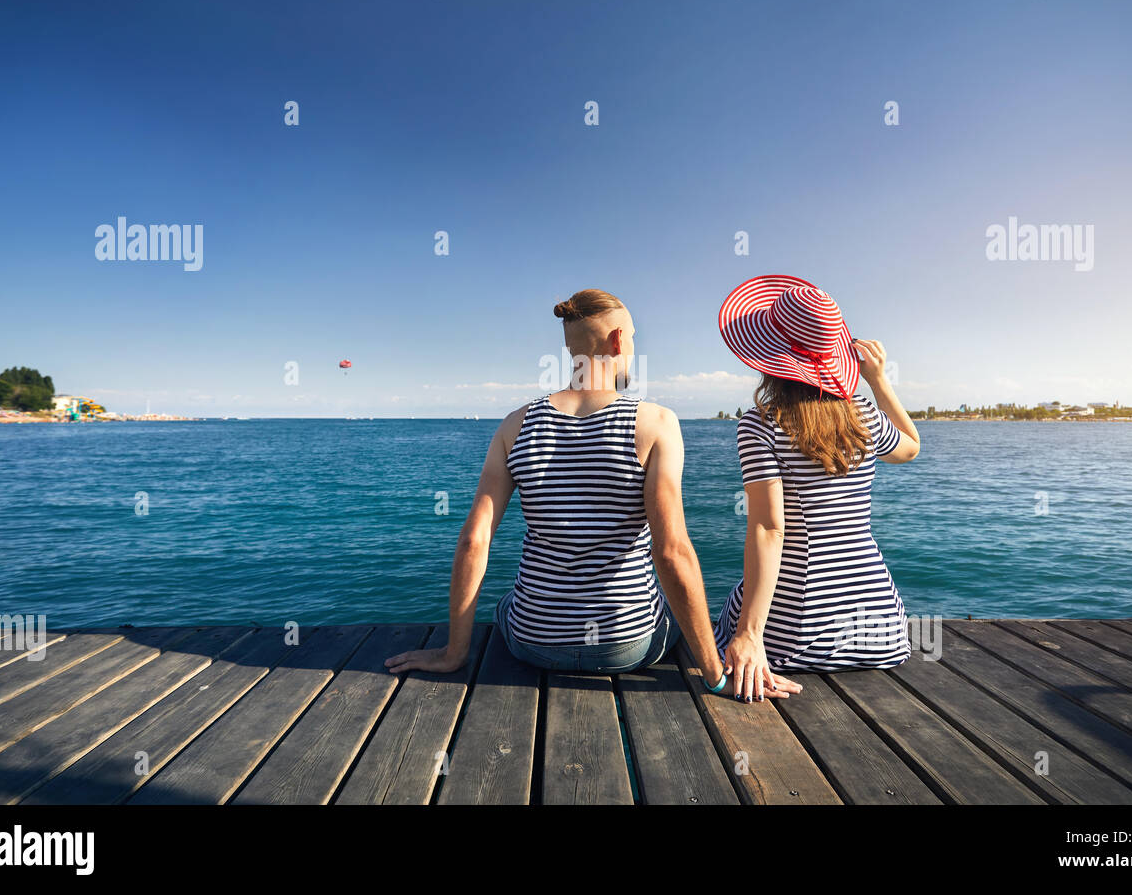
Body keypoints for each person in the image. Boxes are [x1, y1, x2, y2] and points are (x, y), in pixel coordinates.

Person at [386, 288, 802, 701]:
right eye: (634, 337)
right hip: (628, 645)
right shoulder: (655, 423)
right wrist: (714, 676)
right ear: (618, 340)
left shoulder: (515, 425)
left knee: (507, 605)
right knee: (682, 619)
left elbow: (473, 541)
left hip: (533, 641)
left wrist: (453, 653)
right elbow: (672, 551)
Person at [712, 275, 920, 699]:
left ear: (769, 353)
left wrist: (751, 634)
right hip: (879, 634)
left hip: (793, 640)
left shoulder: (761, 424)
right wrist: (879, 381)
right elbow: (910, 448)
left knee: (726, 615)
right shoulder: (864, 415)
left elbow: (770, 530)